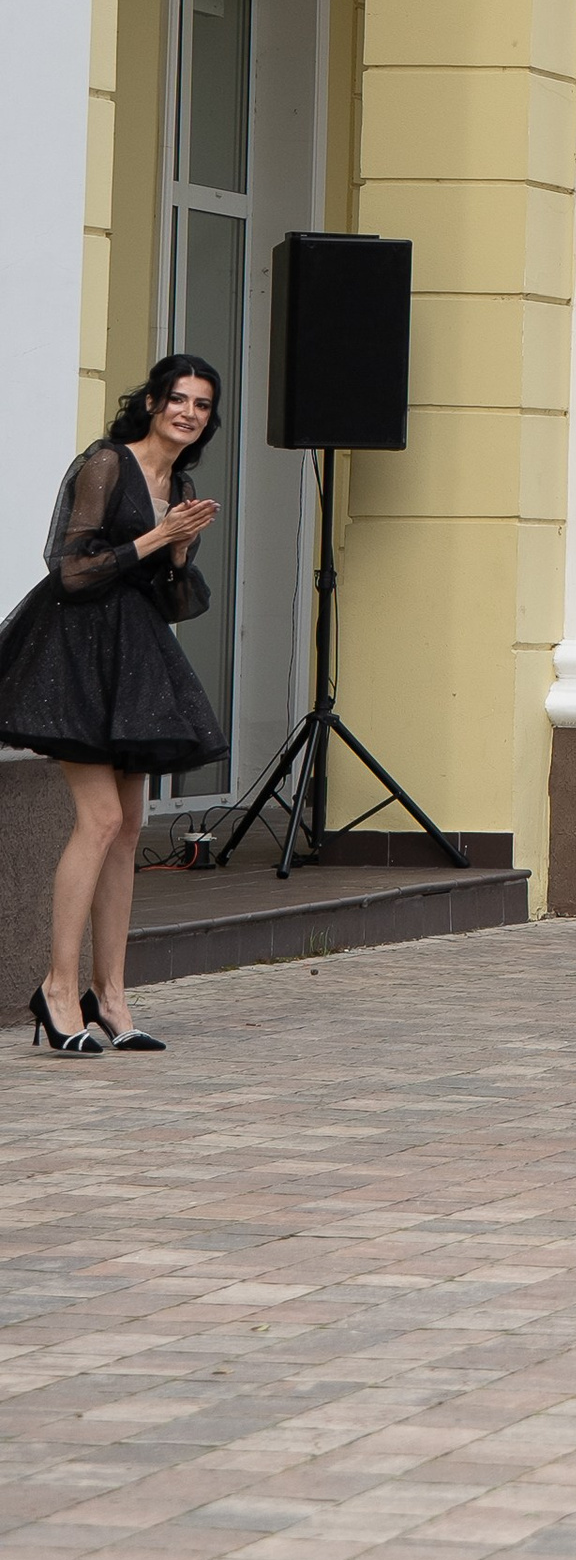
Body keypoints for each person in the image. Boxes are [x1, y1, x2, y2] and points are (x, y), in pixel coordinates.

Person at [0, 355, 229, 1053]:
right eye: (177, 399)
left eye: (201, 404)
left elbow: (173, 602)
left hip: (134, 660)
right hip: (73, 656)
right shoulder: (106, 463)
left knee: (129, 825)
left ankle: (114, 995)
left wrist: (181, 551)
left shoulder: (180, 482)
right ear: (153, 403)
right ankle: (57, 989)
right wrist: (157, 536)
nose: (188, 412)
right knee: (98, 819)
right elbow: (69, 570)